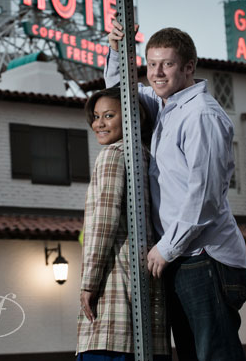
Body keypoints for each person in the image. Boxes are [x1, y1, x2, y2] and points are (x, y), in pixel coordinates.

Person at [105, 21, 246, 361]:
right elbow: (119, 95)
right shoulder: (165, 107)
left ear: (188, 67)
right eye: (151, 63)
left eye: (166, 64)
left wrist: (166, 248)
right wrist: (114, 50)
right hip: (183, 258)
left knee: (214, 356)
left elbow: (206, 196)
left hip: (205, 258)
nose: (156, 72)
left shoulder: (201, 116)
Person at [77, 87, 170, 361]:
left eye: (108, 115)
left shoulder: (111, 155)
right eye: (95, 116)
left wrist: (88, 282)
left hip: (114, 292)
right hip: (146, 283)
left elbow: (101, 224)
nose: (99, 123)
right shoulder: (144, 155)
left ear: (132, 117)